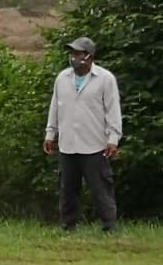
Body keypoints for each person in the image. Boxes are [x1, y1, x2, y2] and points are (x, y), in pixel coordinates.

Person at [43, 37, 122, 233]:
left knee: (100, 188)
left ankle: (108, 226)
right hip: (68, 144)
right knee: (68, 189)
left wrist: (113, 139)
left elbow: (113, 110)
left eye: (78, 54)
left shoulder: (104, 79)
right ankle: (68, 226)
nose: (74, 58)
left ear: (89, 56)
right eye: (72, 54)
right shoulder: (62, 78)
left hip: (94, 144)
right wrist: (50, 133)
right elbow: (55, 106)